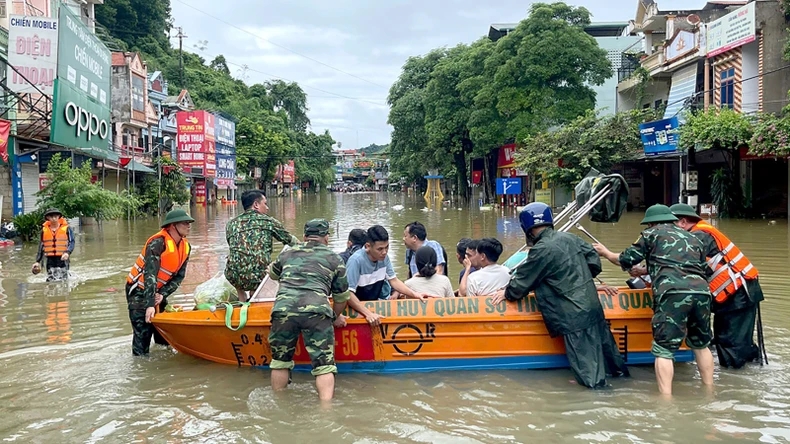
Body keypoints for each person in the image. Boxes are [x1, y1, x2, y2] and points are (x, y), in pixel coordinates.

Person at [492, 203, 629, 389]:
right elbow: (594, 261)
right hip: (593, 306)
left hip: (573, 315)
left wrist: (506, 292)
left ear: (527, 228)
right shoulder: (571, 238)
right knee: (612, 361)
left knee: (590, 374)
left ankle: (599, 398)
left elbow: (523, 281)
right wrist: (579, 278)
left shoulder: (541, 249)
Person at [593, 204, 714, 396]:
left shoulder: (651, 234)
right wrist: (645, 270)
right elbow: (697, 268)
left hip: (672, 293)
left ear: (652, 223)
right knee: (701, 345)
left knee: (664, 349)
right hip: (702, 292)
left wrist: (605, 253)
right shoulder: (694, 237)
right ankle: (709, 390)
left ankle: (665, 401)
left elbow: (624, 259)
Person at [669, 203, 764, 368]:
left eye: (671, 225)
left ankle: (736, 377)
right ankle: (752, 367)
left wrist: (644, 269)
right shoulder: (700, 233)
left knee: (730, 342)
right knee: (730, 339)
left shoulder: (698, 236)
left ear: (683, 222)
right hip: (737, 292)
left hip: (739, 294)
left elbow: (678, 261)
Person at [267, 219, 351, 402]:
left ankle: (278, 404)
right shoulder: (334, 259)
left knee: (280, 361)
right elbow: (342, 298)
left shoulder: (287, 253)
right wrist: (333, 317)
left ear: (305, 236)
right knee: (324, 365)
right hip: (316, 311)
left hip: (283, 310)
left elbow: (272, 274)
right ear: (326, 237)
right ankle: (326, 410)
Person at [125, 209, 194, 356]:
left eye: (189, 223)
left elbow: (179, 277)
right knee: (143, 335)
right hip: (138, 292)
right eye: (185, 223)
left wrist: (162, 295)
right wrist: (150, 305)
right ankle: (140, 365)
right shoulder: (157, 243)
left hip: (158, 293)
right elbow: (150, 274)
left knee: (164, 336)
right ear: (172, 226)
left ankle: (163, 361)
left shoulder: (186, 247)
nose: (189, 226)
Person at [341, 225, 428, 326]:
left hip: (372, 305)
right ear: (368, 246)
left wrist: (415, 294)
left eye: (387, 247)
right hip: (356, 308)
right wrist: (368, 313)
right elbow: (348, 294)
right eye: (380, 249)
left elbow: (394, 281)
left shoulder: (384, 258)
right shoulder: (356, 261)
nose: (384, 252)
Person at [224, 190, 299, 301]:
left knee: (238, 266)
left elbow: (234, 247)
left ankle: (242, 301)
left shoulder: (231, 224)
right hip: (258, 276)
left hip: (233, 276)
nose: (267, 208)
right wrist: (308, 248)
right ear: (256, 204)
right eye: (265, 203)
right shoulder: (268, 222)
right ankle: (255, 299)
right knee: (263, 271)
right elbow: (292, 241)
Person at [32, 208, 75, 282]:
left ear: (59, 217)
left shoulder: (67, 228)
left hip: (63, 258)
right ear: (48, 218)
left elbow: (72, 242)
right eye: (51, 216)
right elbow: (41, 245)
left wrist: (67, 253)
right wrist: (37, 261)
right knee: (50, 280)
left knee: (64, 280)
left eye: (55, 216)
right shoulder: (44, 231)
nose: (54, 218)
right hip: (50, 259)